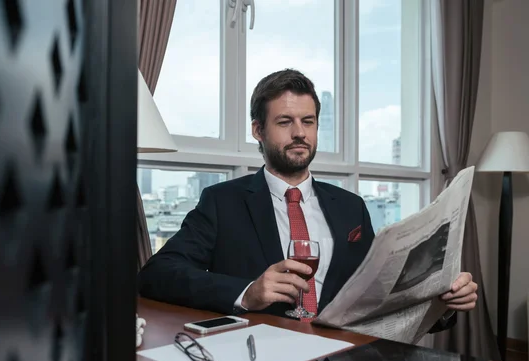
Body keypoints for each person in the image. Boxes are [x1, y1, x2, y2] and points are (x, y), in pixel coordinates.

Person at [137, 69, 478, 331]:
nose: (300, 132)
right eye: (285, 122)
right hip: (260, 359)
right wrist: (248, 292)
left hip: (342, 355)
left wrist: (442, 300)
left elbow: (378, 293)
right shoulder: (221, 201)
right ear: (258, 130)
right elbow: (157, 275)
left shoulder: (351, 206)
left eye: (308, 121)